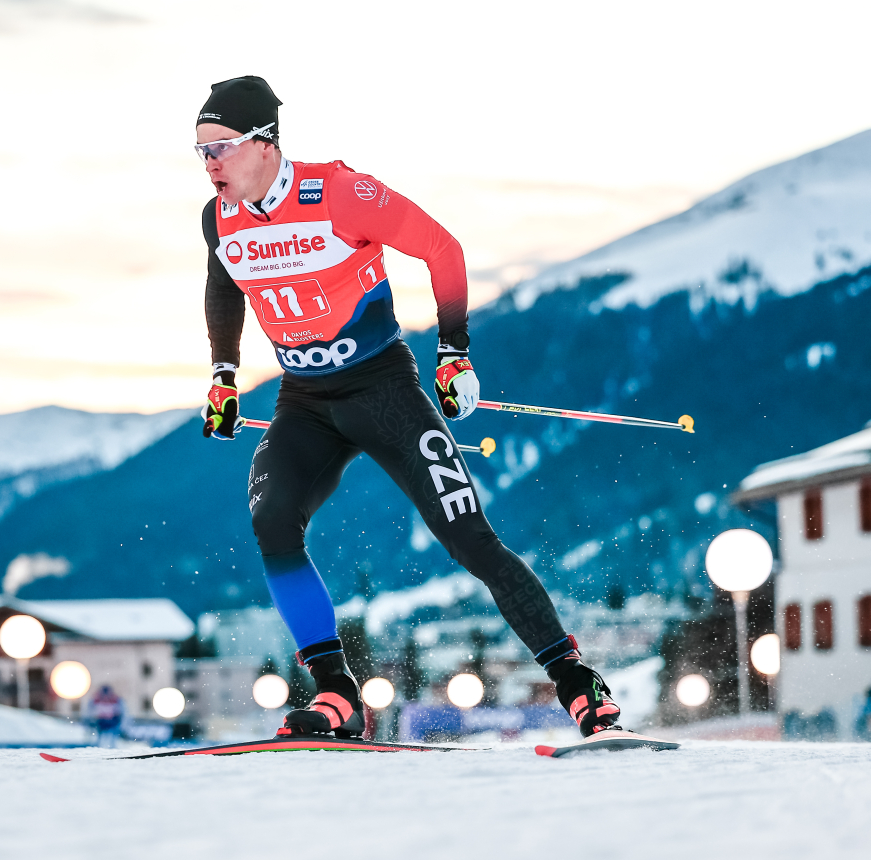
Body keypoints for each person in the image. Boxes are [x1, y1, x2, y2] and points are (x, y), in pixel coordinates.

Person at [194, 76, 621, 739]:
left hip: (383, 391)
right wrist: (224, 374)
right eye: (200, 152)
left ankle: (575, 681)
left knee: (468, 536)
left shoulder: (341, 192)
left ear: (265, 143)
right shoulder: (217, 217)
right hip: (304, 402)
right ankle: (337, 695)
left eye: (219, 147)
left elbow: (441, 249)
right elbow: (224, 284)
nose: (210, 164)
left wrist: (455, 355)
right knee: (273, 522)